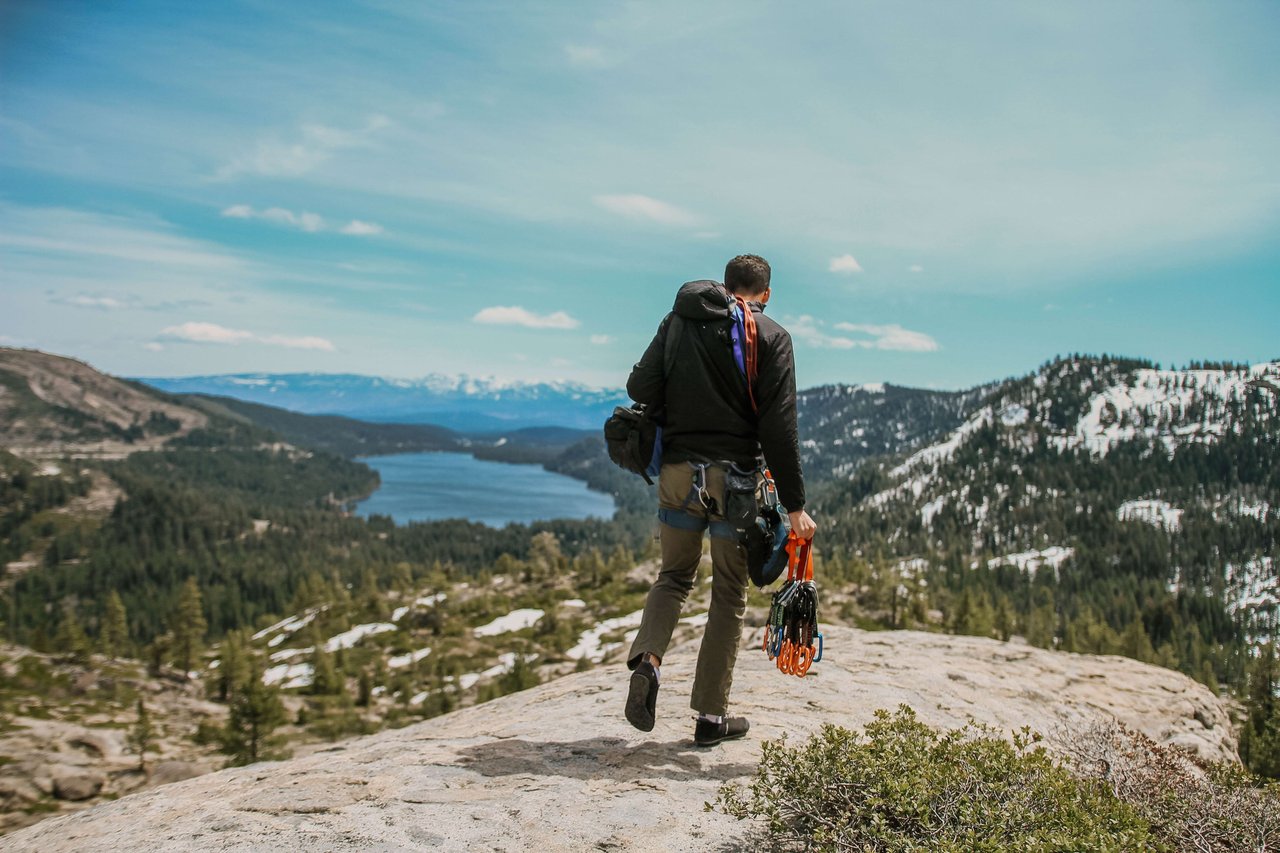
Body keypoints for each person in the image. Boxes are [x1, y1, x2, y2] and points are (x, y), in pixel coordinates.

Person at [623, 254, 816, 747]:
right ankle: (710, 719)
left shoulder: (677, 321)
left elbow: (639, 386)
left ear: (728, 285)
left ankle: (648, 662)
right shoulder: (772, 336)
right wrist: (795, 505)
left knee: (673, 577)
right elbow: (779, 427)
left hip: (676, 474)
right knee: (728, 595)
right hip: (733, 483)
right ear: (765, 293)